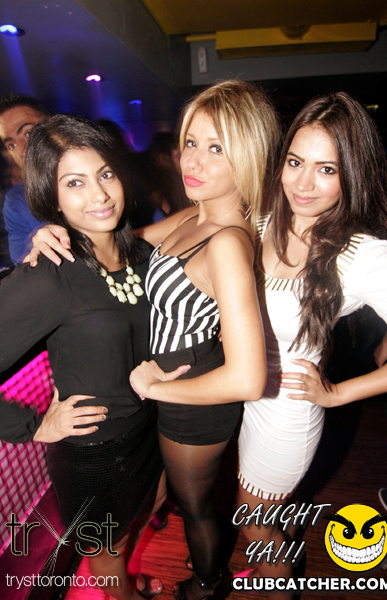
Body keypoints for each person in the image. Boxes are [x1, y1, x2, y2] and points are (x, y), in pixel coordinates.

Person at [26, 80, 280, 600]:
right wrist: (55, 231)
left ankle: (207, 585)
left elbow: (249, 378)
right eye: (191, 142)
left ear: (248, 157)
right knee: (173, 498)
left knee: (196, 506)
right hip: (168, 389)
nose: (195, 161)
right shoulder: (196, 216)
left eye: (217, 148)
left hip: (193, 397)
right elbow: (122, 245)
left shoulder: (228, 242)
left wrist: (157, 388)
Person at [235, 91, 387, 598]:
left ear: (353, 174)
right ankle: (278, 561)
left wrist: (339, 393)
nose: (302, 184)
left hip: (286, 413)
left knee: (252, 525)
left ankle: (277, 583)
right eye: (295, 162)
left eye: (326, 170)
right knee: (262, 521)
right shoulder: (260, 218)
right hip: (240, 395)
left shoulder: (362, 256)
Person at [0, 114, 166, 600]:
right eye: (75, 182)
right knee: (109, 554)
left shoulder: (137, 253)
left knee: (147, 511)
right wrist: (31, 427)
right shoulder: (51, 272)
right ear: (52, 198)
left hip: (148, 428)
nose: (99, 194)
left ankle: (130, 583)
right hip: (96, 453)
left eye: (105, 174)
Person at [0, 94, 50, 264]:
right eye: (11, 145)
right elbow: (25, 266)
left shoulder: (91, 173)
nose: (21, 150)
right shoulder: (16, 201)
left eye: (28, 133)